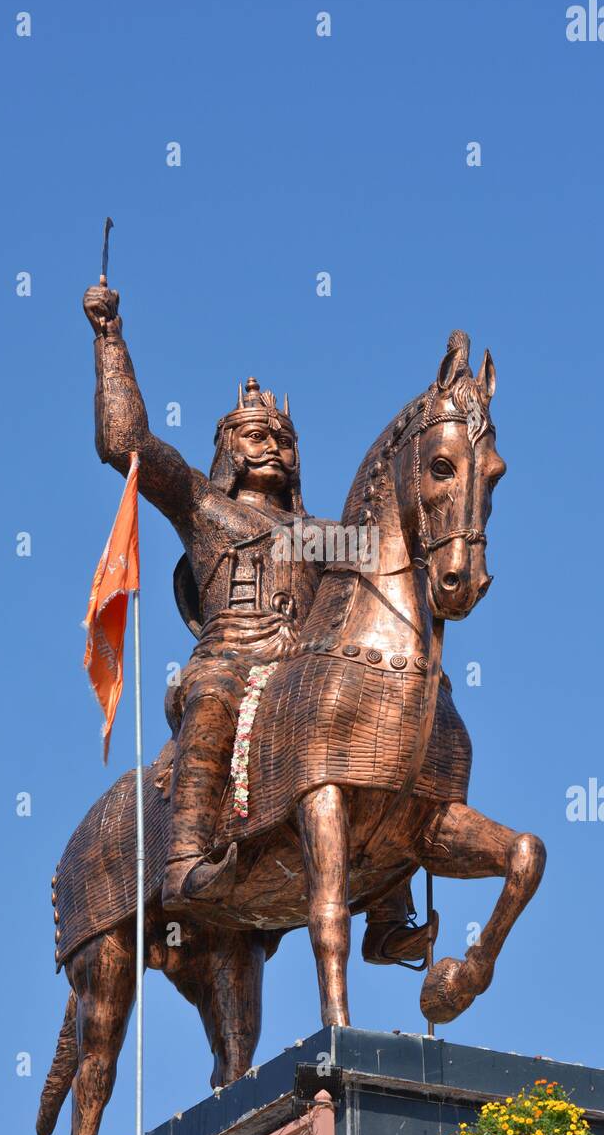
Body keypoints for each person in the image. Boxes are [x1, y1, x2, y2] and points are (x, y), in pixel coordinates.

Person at [83, 282, 434, 962]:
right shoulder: (204, 507)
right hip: (234, 662)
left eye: (282, 437)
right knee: (214, 697)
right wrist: (109, 339)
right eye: (255, 434)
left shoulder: (324, 536)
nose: (271, 444)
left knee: (381, 724)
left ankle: (387, 912)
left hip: (308, 674)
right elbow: (123, 442)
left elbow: (394, 555)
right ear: (229, 448)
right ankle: (185, 856)